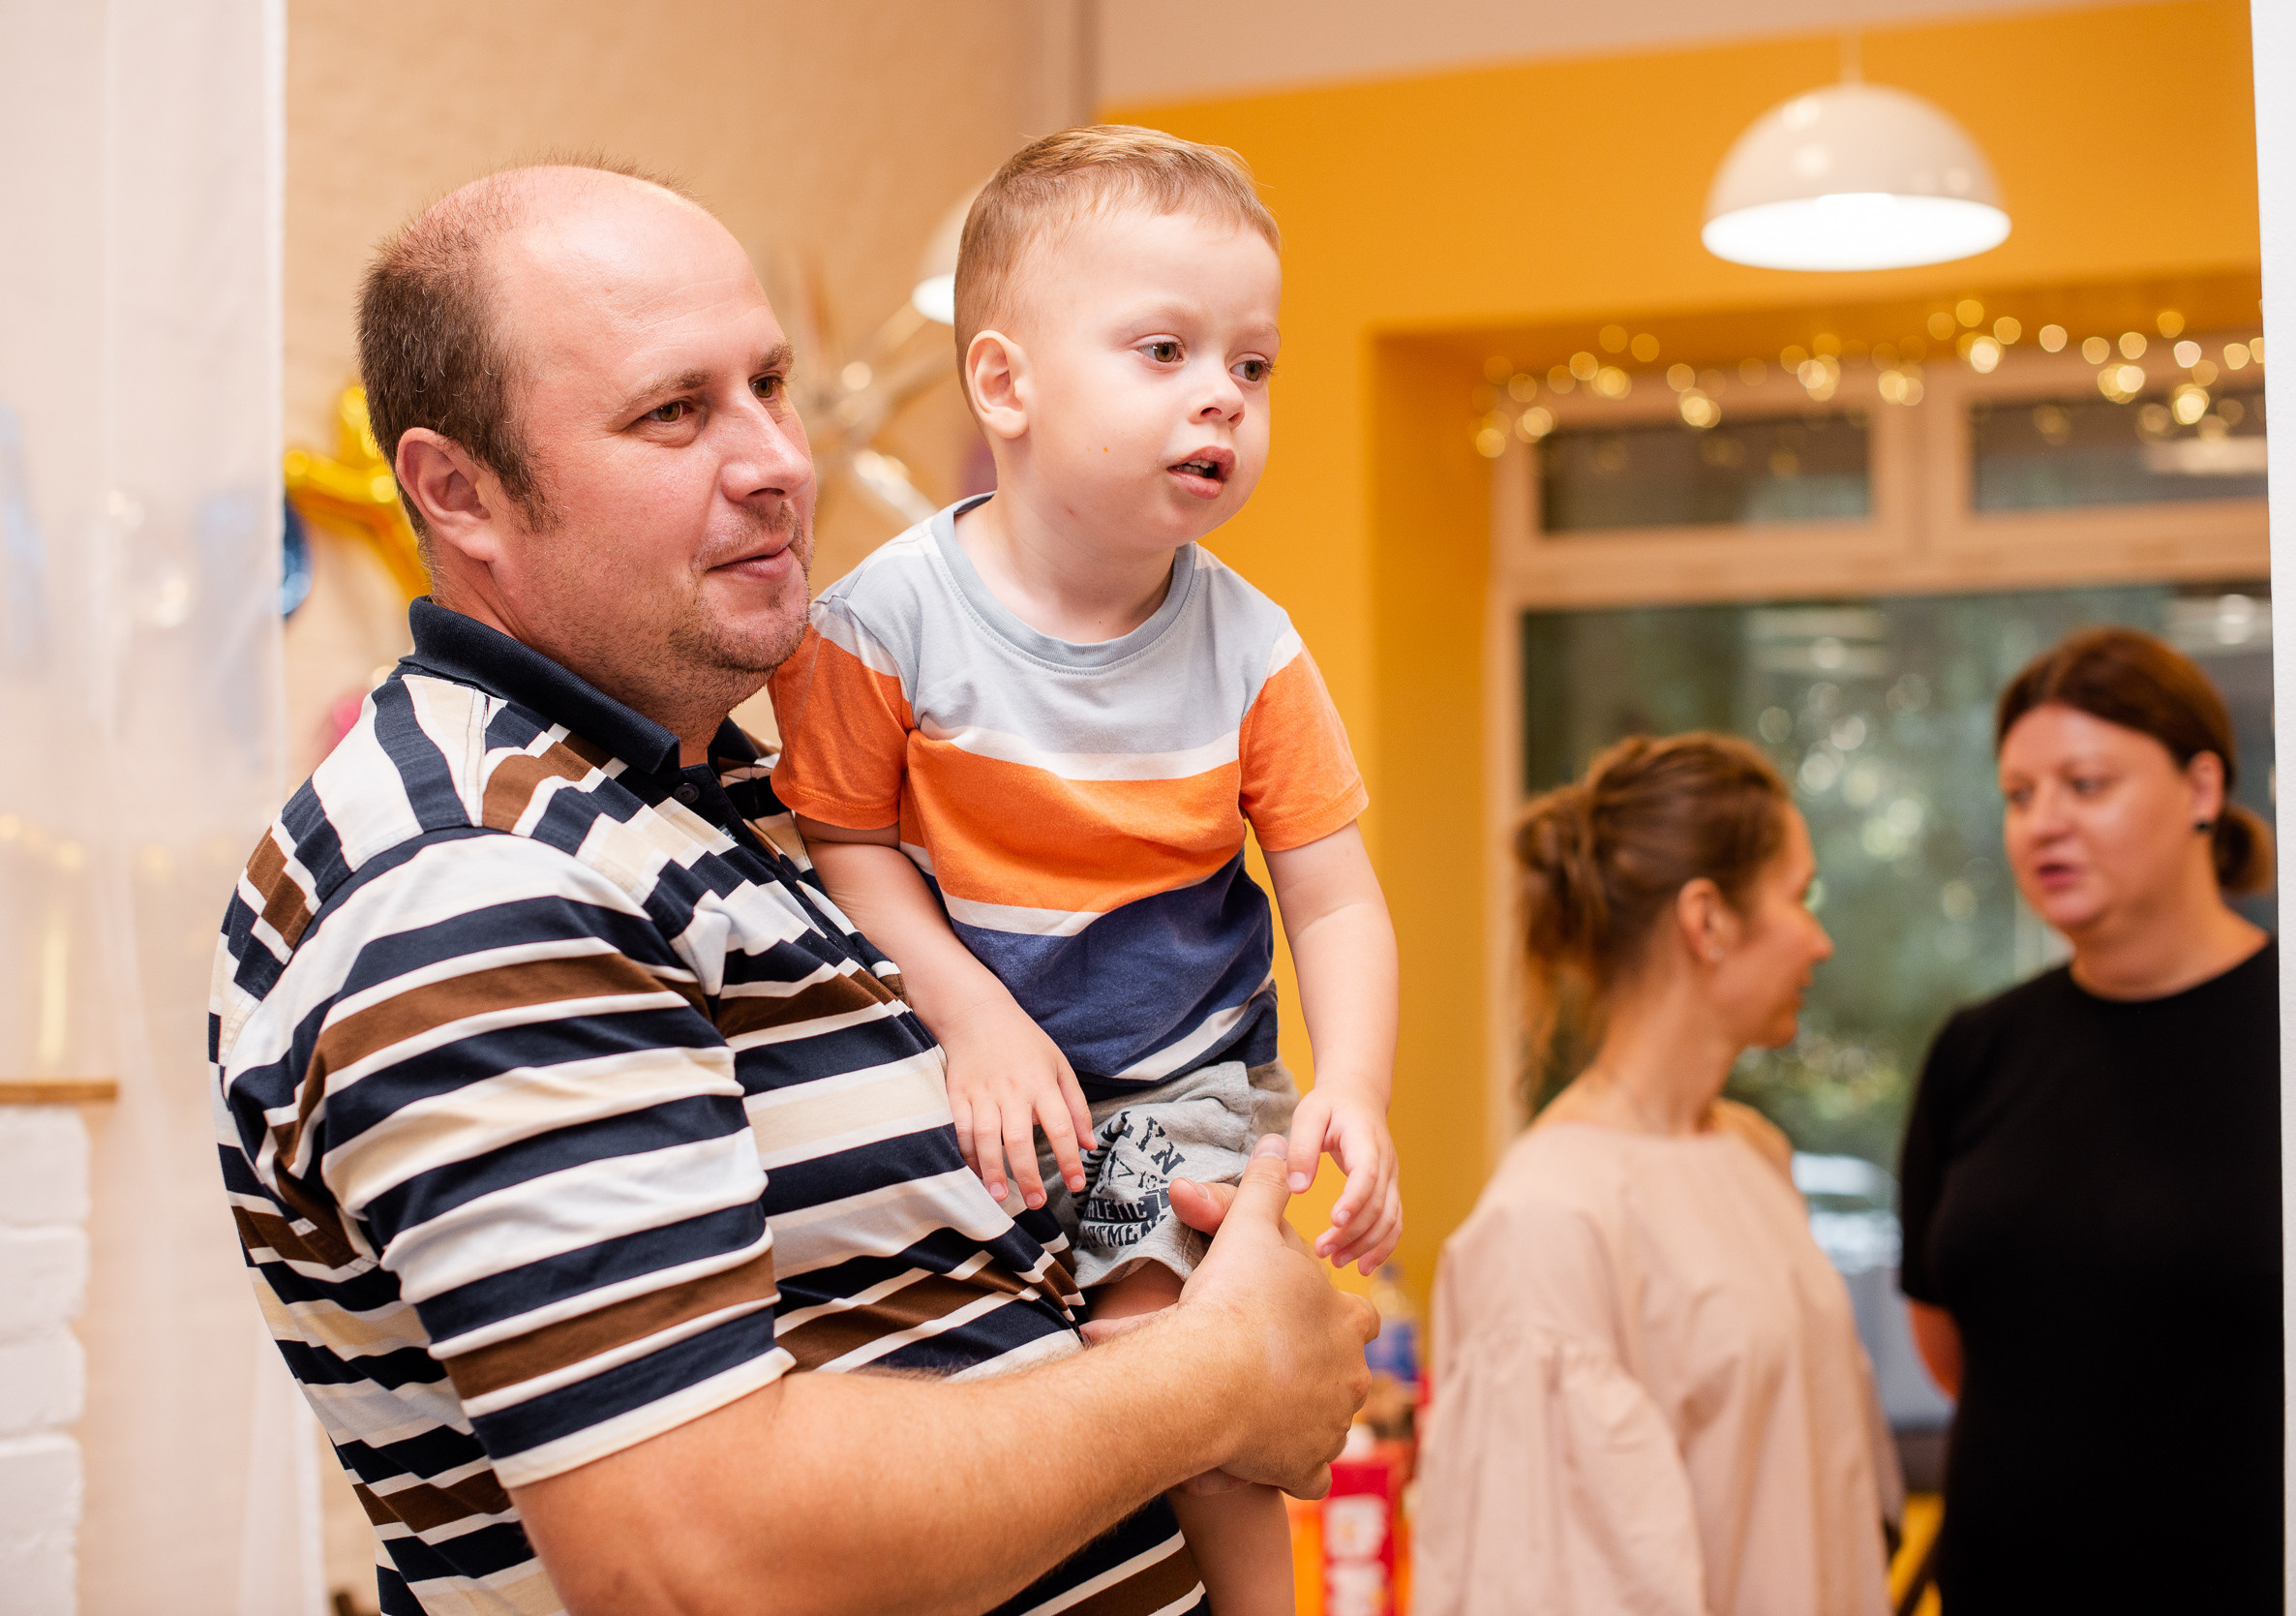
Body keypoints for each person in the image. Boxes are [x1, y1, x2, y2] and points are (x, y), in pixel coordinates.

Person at [209, 160, 1375, 1616]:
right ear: (461, 493)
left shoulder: (750, 797)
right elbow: (694, 1561)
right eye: (673, 412)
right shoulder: (468, 881)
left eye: (768, 382)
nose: (776, 457)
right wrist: (1219, 1385)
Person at [768, 127, 1401, 1615]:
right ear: (1006, 386)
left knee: (1161, 1342)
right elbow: (843, 843)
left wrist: (1352, 1084)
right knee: (951, 1377)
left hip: (1178, 1071)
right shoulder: (884, 624)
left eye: (1252, 366)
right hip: (967, 1064)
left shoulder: (1253, 647)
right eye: (1166, 349)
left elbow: (1333, 889)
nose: (1220, 398)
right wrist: (973, 1016)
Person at [1410, 733, 1899, 1616]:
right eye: (1800, 896)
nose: (1819, 940)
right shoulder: (1549, 1218)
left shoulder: (1754, 1153)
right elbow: (1541, 1583)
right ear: (1707, 919)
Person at [1898, 625, 2279, 1611]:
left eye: (2086, 784)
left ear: (2201, 790)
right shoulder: (1977, 1051)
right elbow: (1952, 1347)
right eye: (2019, 795)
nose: (2042, 824)